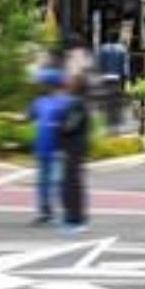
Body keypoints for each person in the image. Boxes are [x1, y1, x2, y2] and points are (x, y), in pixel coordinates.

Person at [27, 71, 73, 226]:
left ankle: (63, 212)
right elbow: (28, 116)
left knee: (56, 182)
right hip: (44, 148)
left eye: (44, 84)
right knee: (45, 182)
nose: (42, 87)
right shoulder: (40, 102)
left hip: (56, 149)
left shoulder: (64, 103)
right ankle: (46, 212)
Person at [58, 71, 90, 232]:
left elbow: (70, 126)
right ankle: (74, 216)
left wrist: (60, 128)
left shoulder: (77, 104)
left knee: (72, 182)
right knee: (72, 182)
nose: (68, 83)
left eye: (71, 81)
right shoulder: (79, 103)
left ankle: (75, 217)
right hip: (75, 147)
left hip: (74, 147)